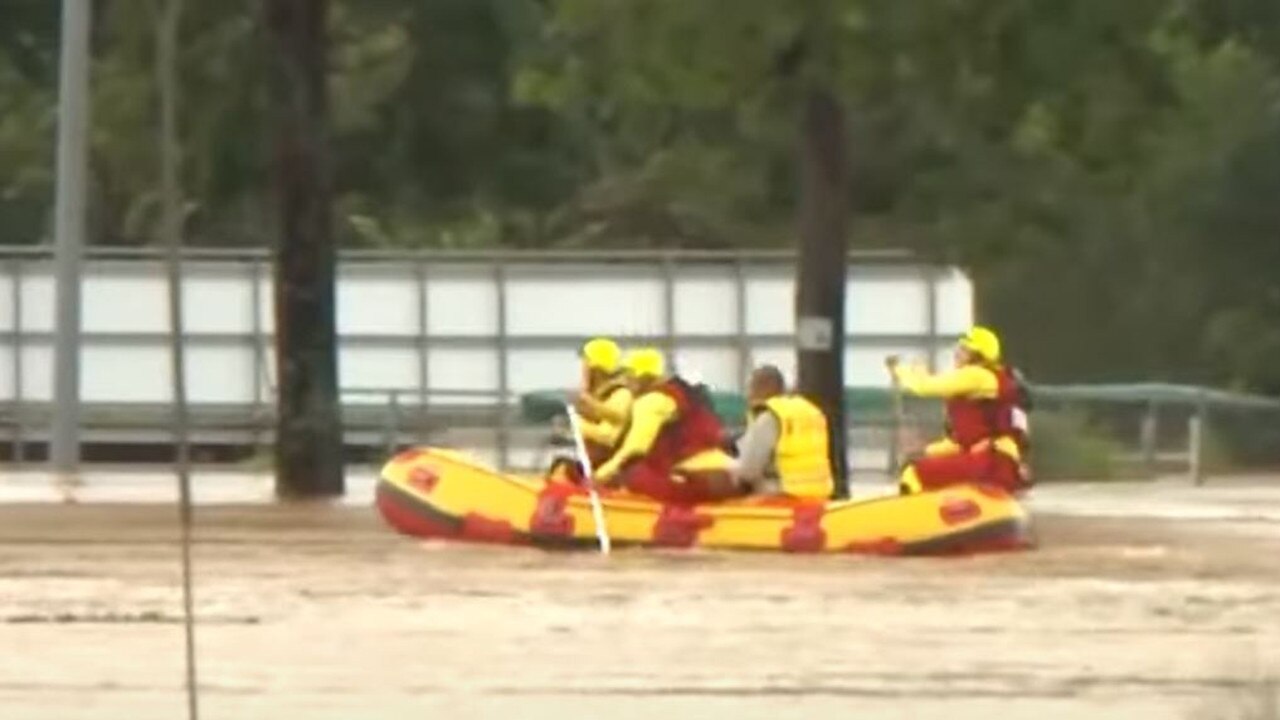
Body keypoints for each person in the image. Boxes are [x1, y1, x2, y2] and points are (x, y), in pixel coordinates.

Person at [887, 325, 1031, 495]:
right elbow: (965, 441)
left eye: (964, 350)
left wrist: (899, 369)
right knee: (922, 460)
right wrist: (927, 452)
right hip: (996, 461)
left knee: (913, 474)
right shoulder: (992, 379)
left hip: (991, 463)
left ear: (978, 356)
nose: (957, 353)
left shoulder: (977, 375)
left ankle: (914, 518)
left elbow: (924, 387)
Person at [595, 347, 741, 504]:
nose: (625, 382)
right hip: (726, 474)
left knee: (633, 474)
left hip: (697, 478)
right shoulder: (684, 394)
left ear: (644, 377)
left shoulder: (650, 401)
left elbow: (635, 449)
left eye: (629, 376)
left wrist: (599, 476)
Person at [733, 365, 834, 499]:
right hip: (818, 493)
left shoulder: (770, 417)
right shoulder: (810, 411)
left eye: (751, 388)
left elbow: (748, 471)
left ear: (763, 387)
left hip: (781, 494)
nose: (748, 395)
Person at [572, 337, 633, 467]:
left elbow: (608, 437)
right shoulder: (596, 395)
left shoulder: (620, 394)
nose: (582, 367)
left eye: (586, 361)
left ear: (596, 368)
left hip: (609, 469)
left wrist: (576, 424)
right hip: (590, 462)